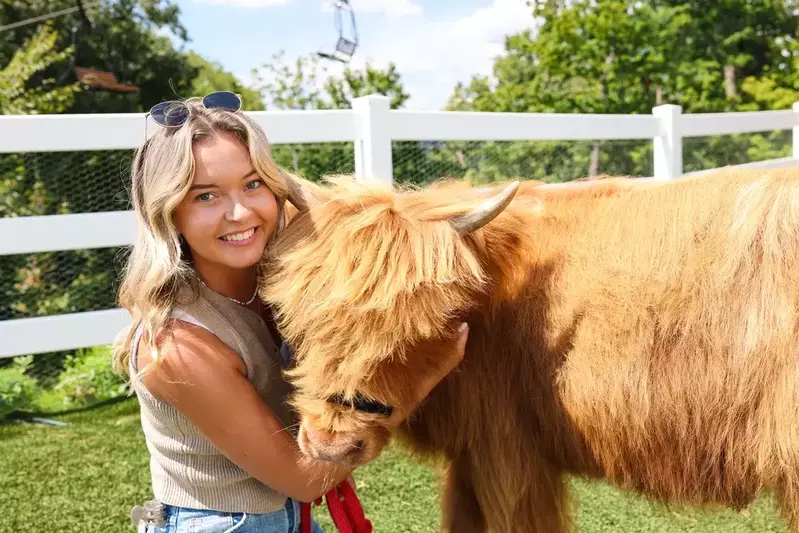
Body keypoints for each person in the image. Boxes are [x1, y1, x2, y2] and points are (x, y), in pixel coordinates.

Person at [112, 91, 469, 533]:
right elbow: (303, 479)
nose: (240, 212)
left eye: (253, 183)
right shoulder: (178, 345)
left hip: (288, 520)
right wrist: (419, 381)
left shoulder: (285, 287)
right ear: (169, 213)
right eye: (206, 196)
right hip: (221, 525)